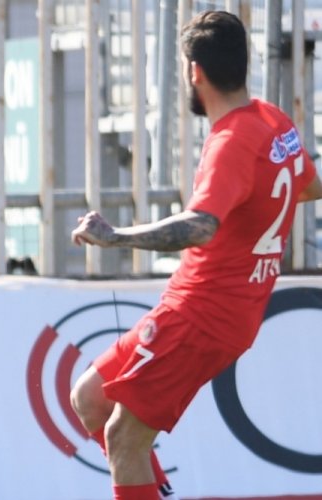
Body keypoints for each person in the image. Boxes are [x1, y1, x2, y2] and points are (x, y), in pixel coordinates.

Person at [69, 10, 322, 500]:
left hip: (203, 314)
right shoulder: (274, 121)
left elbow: (201, 226)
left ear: (193, 71)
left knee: (124, 437)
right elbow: (310, 185)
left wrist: (115, 236)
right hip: (206, 308)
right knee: (91, 400)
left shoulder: (231, 142)